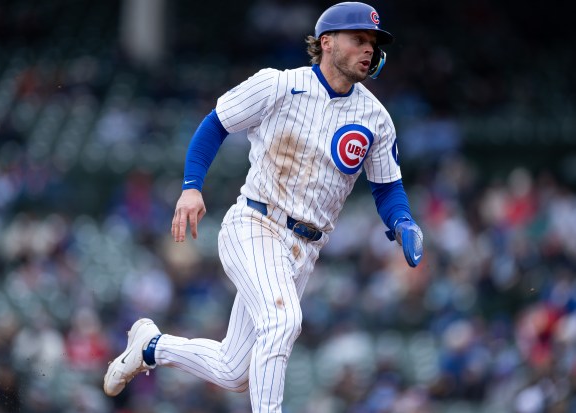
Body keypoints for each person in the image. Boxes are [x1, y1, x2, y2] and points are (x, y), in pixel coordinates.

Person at [103, 2, 424, 412]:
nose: (368, 49)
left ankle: (151, 347)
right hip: (256, 222)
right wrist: (191, 187)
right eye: (358, 39)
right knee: (283, 321)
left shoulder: (376, 119)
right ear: (326, 43)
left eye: (373, 43)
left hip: (304, 251)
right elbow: (216, 123)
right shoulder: (278, 85)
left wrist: (403, 221)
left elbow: (387, 187)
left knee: (235, 371)